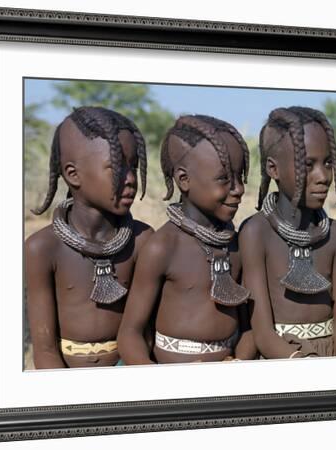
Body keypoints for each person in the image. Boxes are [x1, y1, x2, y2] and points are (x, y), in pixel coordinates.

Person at [118, 115, 257, 364]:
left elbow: (248, 328)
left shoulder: (236, 244)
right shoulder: (163, 247)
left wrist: (240, 363)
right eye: (224, 178)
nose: (238, 189)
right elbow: (130, 333)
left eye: (240, 177)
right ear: (184, 180)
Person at [25, 106, 153, 368]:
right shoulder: (42, 248)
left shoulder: (143, 240)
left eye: (134, 167)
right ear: (73, 174)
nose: (130, 179)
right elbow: (45, 348)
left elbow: (146, 333)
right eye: (117, 167)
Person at [239, 106, 336, 359]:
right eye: (308, 164)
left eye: (327, 163)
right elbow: (262, 332)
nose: (323, 176)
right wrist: (306, 368)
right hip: (280, 360)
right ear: (273, 169)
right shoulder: (255, 233)